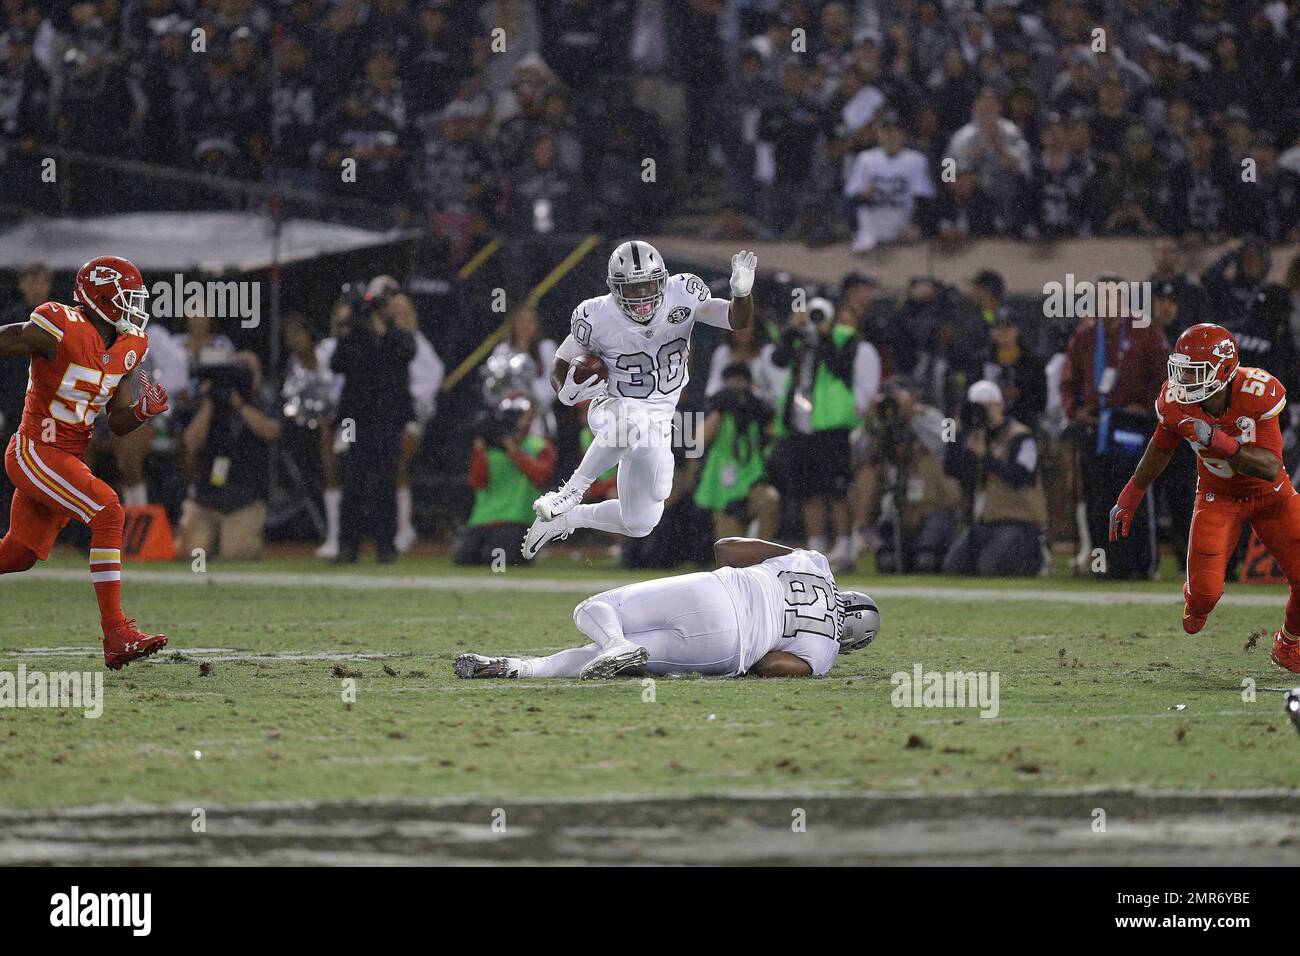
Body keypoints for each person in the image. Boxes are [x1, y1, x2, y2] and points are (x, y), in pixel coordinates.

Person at [521, 242, 757, 558]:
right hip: (612, 409)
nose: (641, 297)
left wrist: (741, 294)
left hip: (659, 420)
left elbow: (735, 320)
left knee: (641, 521)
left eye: (647, 285)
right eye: (631, 289)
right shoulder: (597, 314)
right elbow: (561, 362)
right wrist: (565, 390)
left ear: (662, 280)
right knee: (634, 421)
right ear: (613, 289)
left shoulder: (684, 292)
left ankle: (567, 520)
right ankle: (570, 492)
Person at [0, 256, 169, 669]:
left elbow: (117, 420)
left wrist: (145, 412)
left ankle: (117, 634)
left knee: (18, 554)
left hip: (66, 457)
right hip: (36, 449)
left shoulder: (130, 346)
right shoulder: (59, 323)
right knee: (108, 509)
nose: (135, 307)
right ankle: (116, 634)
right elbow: (13, 336)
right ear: (103, 298)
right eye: (127, 298)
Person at [1109, 324, 1300, 673]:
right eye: (1180, 368)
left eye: (1194, 371)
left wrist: (1218, 440)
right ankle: (1196, 598)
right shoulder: (1175, 400)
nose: (1182, 379)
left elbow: (1271, 468)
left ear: (1225, 370)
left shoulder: (1257, 389)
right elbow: (1161, 446)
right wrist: (1131, 493)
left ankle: (1287, 645)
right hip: (1218, 495)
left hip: (1270, 495)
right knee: (1203, 599)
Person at [454, 537, 879, 680]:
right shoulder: (823, 653)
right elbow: (770, 666)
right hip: (728, 648)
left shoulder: (815, 562)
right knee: (612, 658)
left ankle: (607, 644)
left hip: (715, 592)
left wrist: (784, 557)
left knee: (596, 608)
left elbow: (726, 549)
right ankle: (518, 667)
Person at [330, 283, 416, 564]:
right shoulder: (355, 333)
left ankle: (386, 546)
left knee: (385, 483)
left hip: (388, 418)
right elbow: (338, 362)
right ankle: (347, 546)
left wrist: (383, 331)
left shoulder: (397, 334)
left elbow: (406, 353)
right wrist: (353, 330)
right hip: (358, 417)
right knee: (353, 481)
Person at [175, 354, 282, 561]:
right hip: (206, 499)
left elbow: (272, 431)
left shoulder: (264, 400)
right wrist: (209, 402)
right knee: (189, 553)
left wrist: (240, 405)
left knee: (235, 553)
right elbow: (191, 442)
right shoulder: (209, 403)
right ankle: (212, 540)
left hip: (244, 500)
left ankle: (227, 539)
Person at [942, 380, 1048, 576]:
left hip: (1018, 521)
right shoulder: (975, 437)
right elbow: (951, 470)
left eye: (984, 407)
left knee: (990, 568)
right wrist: (955, 437)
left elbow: (1021, 476)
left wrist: (986, 458)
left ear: (999, 404)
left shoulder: (1020, 436)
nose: (979, 413)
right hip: (985, 523)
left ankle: (1037, 557)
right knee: (953, 567)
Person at [454, 395, 554, 567]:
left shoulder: (539, 447)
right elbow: (477, 482)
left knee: (496, 561)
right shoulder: (490, 449)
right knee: (464, 557)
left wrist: (514, 452)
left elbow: (540, 477)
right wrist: (480, 451)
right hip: (484, 518)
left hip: (516, 518)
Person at [691, 363, 779, 542]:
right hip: (724, 486)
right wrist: (720, 410)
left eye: (741, 383)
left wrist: (760, 409)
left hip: (752, 479)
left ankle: (761, 558)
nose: (736, 389)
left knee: (769, 500)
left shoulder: (756, 409)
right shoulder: (718, 409)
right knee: (729, 551)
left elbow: (776, 436)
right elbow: (698, 441)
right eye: (732, 384)